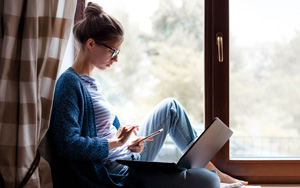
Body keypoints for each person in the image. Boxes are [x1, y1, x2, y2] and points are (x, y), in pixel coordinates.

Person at [50, 2, 248, 188]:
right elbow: (67, 145)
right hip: (115, 171)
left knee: (171, 107)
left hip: (127, 158)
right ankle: (213, 175)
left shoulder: (93, 83)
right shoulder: (69, 83)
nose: (116, 59)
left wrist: (129, 144)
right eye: (113, 51)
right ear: (91, 44)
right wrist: (117, 143)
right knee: (207, 182)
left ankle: (213, 171)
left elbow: (105, 133)